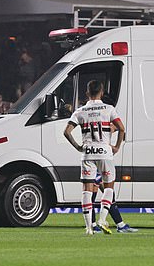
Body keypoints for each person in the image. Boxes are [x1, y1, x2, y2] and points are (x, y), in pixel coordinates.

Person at [63, 80, 125, 235]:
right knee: (108, 187)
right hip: (105, 152)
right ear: (102, 92)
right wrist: (116, 146)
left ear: (87, 93)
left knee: (87, 191)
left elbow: (66, 132)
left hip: (88, 153)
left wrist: (78, 147)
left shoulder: (80, 111)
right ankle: (102, 219)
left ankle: (88, 228)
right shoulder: (109, 109)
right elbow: (121, 128)